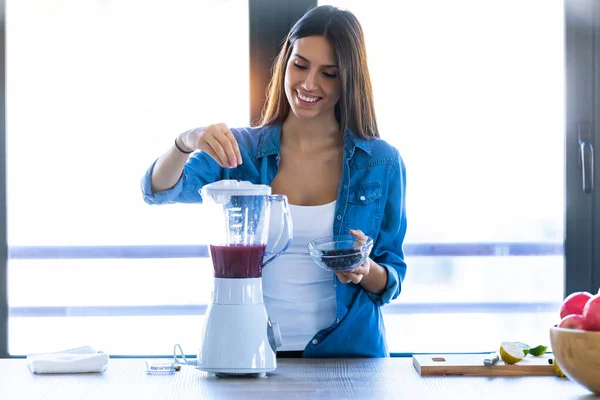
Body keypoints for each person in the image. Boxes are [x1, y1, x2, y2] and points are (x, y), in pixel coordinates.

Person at [141, 5, 407, 358]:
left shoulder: (381, 162)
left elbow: (391, 279)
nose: (309, 84)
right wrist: (185, 141)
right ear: (285, 62)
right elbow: (158, 191)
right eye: (300, 65)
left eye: (329, 74)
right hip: (251, 352)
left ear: (349, 80)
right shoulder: (242, 152)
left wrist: (364, 268)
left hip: (348, 356)